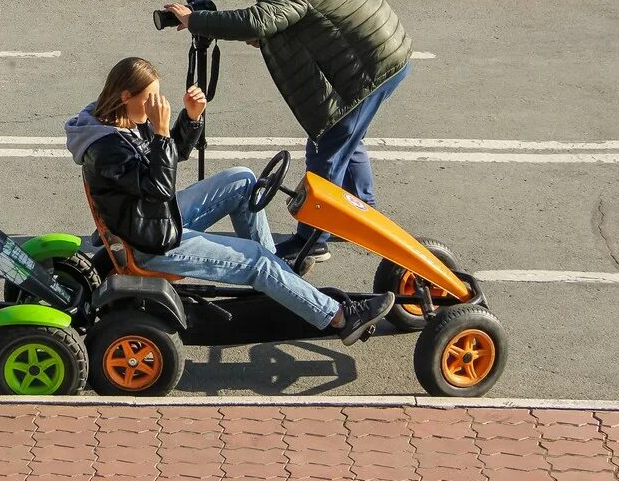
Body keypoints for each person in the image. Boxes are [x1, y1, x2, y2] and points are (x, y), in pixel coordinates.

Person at [65, 57, 394, 346]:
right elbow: (159, 187)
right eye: (151, 96)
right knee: (257, 261)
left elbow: (168, 159)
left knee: (242, 179)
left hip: (152, 220)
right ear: (126, 95)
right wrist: (162, 132)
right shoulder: (108, 149)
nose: (158, 104)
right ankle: (340, 318)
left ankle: (281, 282)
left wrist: (190, 118)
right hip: (151, 244)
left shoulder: (119, 122)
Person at [164, 0, 413, 264]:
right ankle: (357, 212)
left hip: (370, 69)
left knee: (326, 148)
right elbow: (295, 22)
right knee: (347, 139)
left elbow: (259, 20)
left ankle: (313, 240)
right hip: (385, 53)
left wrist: (195, 20)